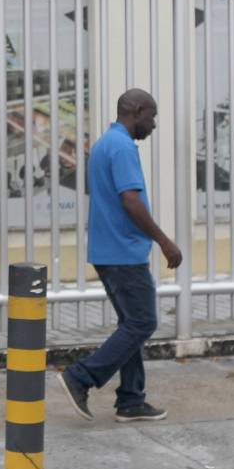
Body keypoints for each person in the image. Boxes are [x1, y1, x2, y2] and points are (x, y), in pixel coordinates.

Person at [56, 89, 183, 423]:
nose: (153, 125)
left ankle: (131, 399)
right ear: (137, 111)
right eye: (152, 116)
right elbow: (130, 200)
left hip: (108, 249)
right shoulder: (123, 146)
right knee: (143, 322)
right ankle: (80, 377)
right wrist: (164, 241)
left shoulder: (103, 144)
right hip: (123, 253)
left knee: (132, 324)